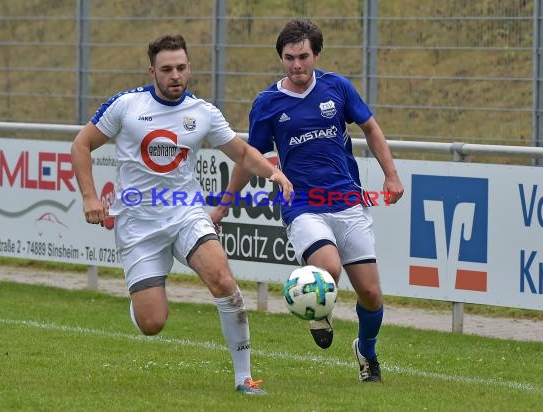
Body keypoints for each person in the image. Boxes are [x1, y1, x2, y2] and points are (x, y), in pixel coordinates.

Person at [71, 34, 293, 396]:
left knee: (223, 279)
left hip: (186, 214)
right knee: (152, 323)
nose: (175, 75)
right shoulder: (126, 105)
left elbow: (241, 152)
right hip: (138, 224)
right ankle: (142, 300)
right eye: (167, 69)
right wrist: (90, 197)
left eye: (181, 67)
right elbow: (81, 144)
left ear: (189, 68)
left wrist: (273, 172)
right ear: (152, 71)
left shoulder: (202, 113)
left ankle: (244, 378)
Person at [210, 19, 404, 383]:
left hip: (347, 202)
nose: (296, 66)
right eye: (289, 58)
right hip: (302, 205)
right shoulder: (268, 103)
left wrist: (391, 175)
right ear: (281, 58)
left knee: (371, 293)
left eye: (303, 57)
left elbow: (371, 128)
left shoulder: (337, 88)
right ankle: (318, 311)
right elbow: (250, 158)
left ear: (316, 54)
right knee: (327, 268)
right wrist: (223, 205)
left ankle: (366, 351)